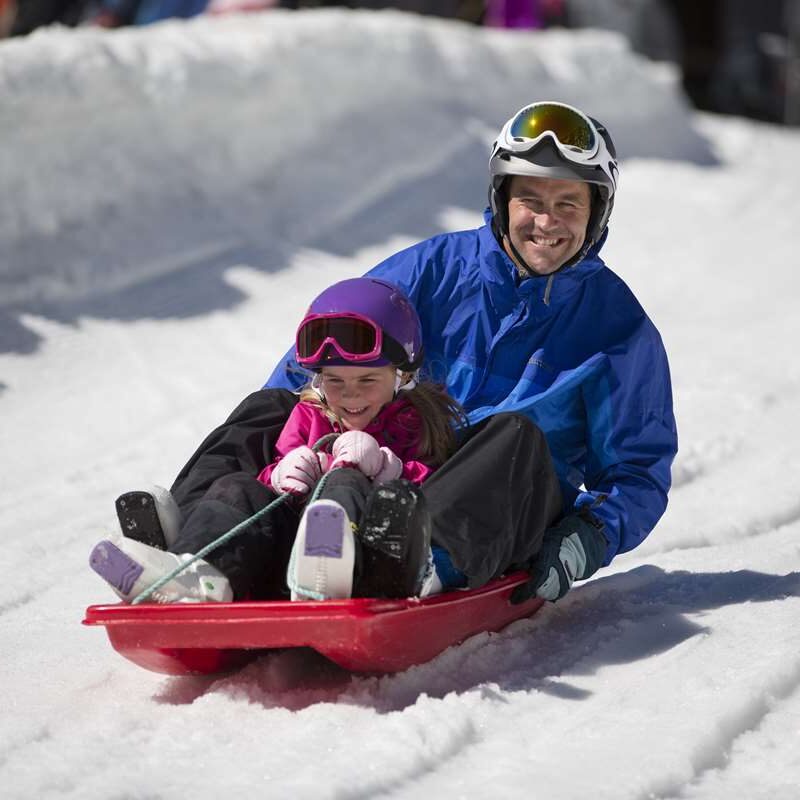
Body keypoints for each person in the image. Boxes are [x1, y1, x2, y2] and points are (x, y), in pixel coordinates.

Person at [97, 100, 677, 606]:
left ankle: (414, 563)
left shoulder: (619, 329)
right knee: (272, 401)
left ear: (597, 211)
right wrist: (307, 425)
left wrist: (587, 540)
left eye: (568, 204)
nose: (545, 222)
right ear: (501, 200)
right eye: (530, 199)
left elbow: (637, 471)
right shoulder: (435, 269)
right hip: (390, 453)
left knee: (516, 434)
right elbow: (333, 343)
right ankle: (196, 544)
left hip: (497, 499)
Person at [89, 278, 480, 603]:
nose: (351, 396)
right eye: (335, 382)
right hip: (281, 552)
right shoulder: (308, 416)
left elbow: (433, 487)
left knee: (345, 482)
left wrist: (385, 468)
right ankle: (193, 572)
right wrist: (278, 475)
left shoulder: (417, 423)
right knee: (237, 487)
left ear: (402, 378)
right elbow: (273, 488)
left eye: (367, 381)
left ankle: (327, 571)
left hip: (366, 558)